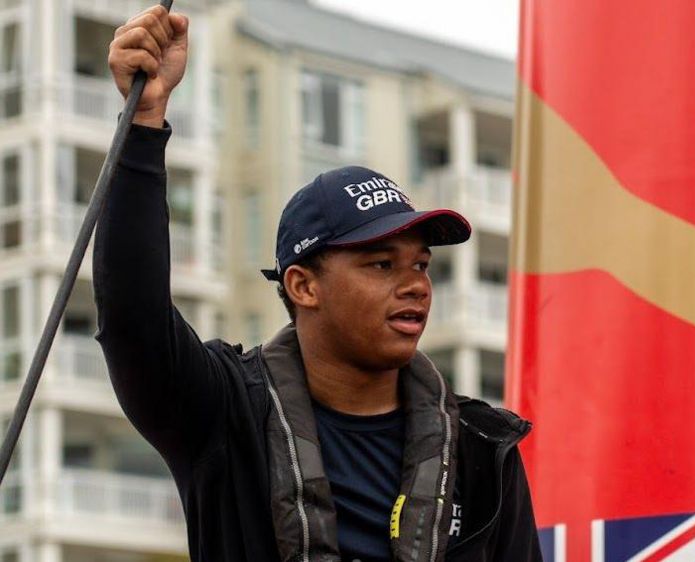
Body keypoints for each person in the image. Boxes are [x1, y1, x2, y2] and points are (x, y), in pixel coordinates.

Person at [96, 5, 543, 561]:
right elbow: (132, 320)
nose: (416, 286)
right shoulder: (223, 411)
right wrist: (143, 121)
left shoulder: (484, 447)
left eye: (422, 265)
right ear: (304, 286)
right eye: (382, 265)